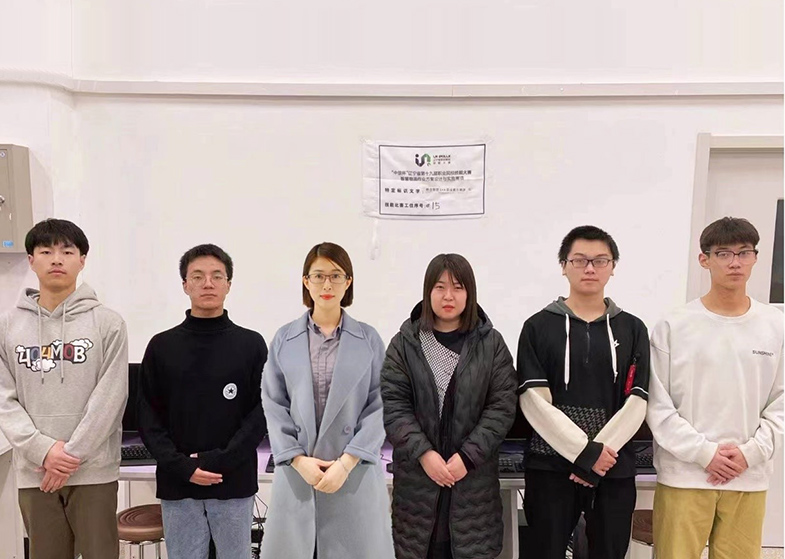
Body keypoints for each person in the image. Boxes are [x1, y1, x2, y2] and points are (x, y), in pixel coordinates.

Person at [647, 217, 783, 559]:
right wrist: (704, 453)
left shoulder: (776, 325)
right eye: (723, 253)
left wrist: (751, 453)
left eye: (744, 252)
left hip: (748, 475)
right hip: (684, 475)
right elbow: (657, 404)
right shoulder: (673, 326)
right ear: (704, 259)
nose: (735, 262)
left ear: (755, 258)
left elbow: (781, 402)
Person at [517, 225, 650, 559]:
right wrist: (584, 453)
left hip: (613, 467)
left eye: (600, 260)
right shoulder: (537, 327)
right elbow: (533, 400)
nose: (590, 268)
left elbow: (637, 399)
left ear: (613, 267)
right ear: (564, 266)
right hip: (550, 468)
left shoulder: (633, 329)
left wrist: (597, 457)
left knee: (610, 550)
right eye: (579, 260)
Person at [0, 218, 128, 559]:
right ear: (31, 260)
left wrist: (68, 457)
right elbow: (3, 400)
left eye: (67, 252)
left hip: (93, 471)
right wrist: (44, 452)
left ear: (82, 260)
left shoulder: (108, 323)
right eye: (46, 251)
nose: (57, 259)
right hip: (35, 472)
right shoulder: (7, 326)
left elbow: (111, 398)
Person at [261, 242, 394, 559]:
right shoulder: (284, 338)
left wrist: (346, 463)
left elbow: (381, 405)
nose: (327, 284)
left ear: (348, 282)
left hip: (353, 476)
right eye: (318, 275)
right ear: (306, 281)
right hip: (299, 477)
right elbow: (274, 404)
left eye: (336, 276)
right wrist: (297, 460)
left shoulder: (369, 339)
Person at [381, 253, 517, 559]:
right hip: (417, 486)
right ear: (428, 291)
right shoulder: (405, 344)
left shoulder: (491, 344)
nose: (448, 296)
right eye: (440, 287)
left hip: (473, 487)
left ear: (470, 293)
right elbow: (394, 406)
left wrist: (467, 458)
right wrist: (425, 454)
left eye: (457, 287)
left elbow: (502, 406)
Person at [138, 243, 268, 559]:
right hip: (179, 483)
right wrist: (183, 466)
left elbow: (261, 413)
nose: (207, 284)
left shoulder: (251, 345)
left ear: (228, 284)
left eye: (216, 276)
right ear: (185, 285)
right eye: (197, 276)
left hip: (233, 480)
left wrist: (217, 461)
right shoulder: (161, 346)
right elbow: (147, 417)